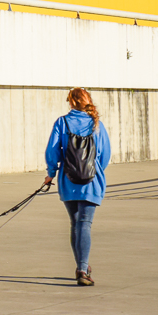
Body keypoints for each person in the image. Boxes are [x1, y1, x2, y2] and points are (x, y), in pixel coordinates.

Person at [43, 87, 112, 286]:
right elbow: (104, 155)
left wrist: (51, 173)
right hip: (91, 181)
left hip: (68, 180)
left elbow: (52, 150)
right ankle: (82, 268)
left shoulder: (61, 122)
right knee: (85, 223)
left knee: (75, 224)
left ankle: (81, 266)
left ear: (71, 102)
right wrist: (94, 169)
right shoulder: (97, 124)